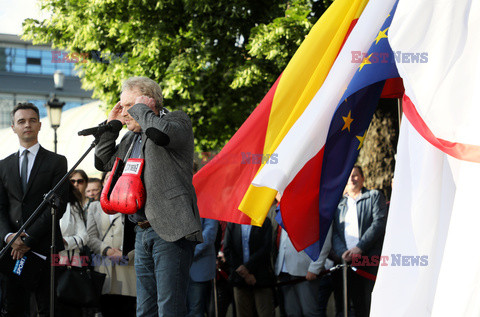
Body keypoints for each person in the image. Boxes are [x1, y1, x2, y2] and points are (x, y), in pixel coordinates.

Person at [94, 76, 203, 316]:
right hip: (141, 230)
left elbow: (161, 135)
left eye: (129, 105)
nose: (124, 112)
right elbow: (103, 163)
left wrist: (140, 110)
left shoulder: (177, 119)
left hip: (171, 229)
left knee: (169, 308)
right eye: (121, 106)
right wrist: (112, 128)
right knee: (144, 309)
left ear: (149, 102)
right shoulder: (130, 137)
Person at [0, 103, 68, 316]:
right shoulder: (3, 166)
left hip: (44, 247)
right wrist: (10, 237)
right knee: (13, 308)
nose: (27, 125)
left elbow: (58, 204)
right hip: (10, 251)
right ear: (13, 127)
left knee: (48, 309)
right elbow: (1, 208)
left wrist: (27, 239)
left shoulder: (57, 161)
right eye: (21, 121)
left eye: (32, 120)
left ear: (40, 125)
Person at [331, 166, 387, 317]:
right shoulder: (338, 206)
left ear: (362, 178)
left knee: (372, 303)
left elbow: (379, 223)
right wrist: (343, 252)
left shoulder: (374, 196)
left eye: (355, 175)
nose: (352, 179)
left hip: (371, 261)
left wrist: (360, 248)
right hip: (349, 264)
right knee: (357, 305)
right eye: (349, 177)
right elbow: (335, 232)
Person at [87, 200, 136, 317]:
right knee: (107, 308)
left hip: (128, 266)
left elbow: (138, 234)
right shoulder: (95, 206)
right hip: (104, 267)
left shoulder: (130, 202)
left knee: (127, 309)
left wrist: (125, 254)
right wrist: (107, 250)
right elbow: (90, 236)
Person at [275, 224, 332, 317]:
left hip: (305, 271)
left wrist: (315, 267)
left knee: (309, 312)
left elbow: (324, 240)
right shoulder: (284, 209)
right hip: (284, 271)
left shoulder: (318, 209)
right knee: (291, 313)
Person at [223, 218, 275, 317]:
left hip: (260, 277)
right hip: (239, 278)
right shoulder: (233, 222)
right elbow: (228, 249)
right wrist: (244, 272)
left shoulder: (264, 220)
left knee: (265, 312)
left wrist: (248, 268)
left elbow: (266, 248)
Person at [57, 182, 88, 316]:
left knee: (70, 306)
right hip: (46, 262)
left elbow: (84, 236)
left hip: (68, 261)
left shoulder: (72, 206)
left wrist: (65, 242)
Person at [186, 218, 218, 317]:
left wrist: (188, 253)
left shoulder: (209, 205)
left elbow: (209, 234)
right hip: (179, 270)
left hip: (199, 268)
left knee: (196, 311)